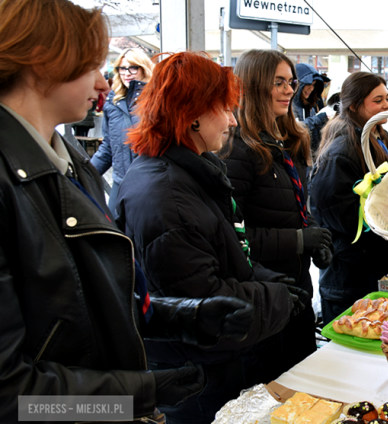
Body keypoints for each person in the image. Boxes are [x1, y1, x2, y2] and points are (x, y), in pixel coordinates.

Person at [0, 1, 262, 421]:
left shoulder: (67, 161)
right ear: (40, 64)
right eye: (90, 65)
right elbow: (13, 397)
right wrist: (136, 395)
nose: (104, 84)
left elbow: (90, 303)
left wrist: (182, 316)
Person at [115, 51, 306, 424]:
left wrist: (265, 279)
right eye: (226, 109)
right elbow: (201, 301)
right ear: (194, 115)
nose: (233, 120)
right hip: (199, 377)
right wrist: (275, 299)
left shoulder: (192, 173)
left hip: (220, 364)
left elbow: (227, 249)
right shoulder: (165, 195)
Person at [220, 49, 332, 382]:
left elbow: (295, 203)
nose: (288, 90)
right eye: (278, 83)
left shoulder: (287, 139)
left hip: (296, 291)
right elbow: (232, 235)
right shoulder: (237, 148)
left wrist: (314, 238)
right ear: (254, 86)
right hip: (266, 295)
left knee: (304, 383)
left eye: (291, 82)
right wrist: (298, 240)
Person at [309, 72, 388, 324]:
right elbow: (340, 215)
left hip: (372, 264)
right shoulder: (341, 151)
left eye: (387, 98)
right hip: (348, 274)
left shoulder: (379, 137)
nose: (387, 105)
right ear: (354, 106)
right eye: (378, 100)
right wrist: (386, 209)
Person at [90, 48, 153, 213]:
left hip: (150, 184)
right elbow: (108, 147)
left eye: (133, 67)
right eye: (122, 68)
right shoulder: (112, 102)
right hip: (120, 182)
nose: (127, 73)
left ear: (144, 69)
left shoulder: (156, 101)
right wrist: (85, 175)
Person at [293, 63, 330, 157]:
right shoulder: (289, 108)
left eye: (314, 84)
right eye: (308, 84)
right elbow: (294, 130)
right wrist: (318, 120)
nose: (311, 88)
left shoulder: (310, 108)